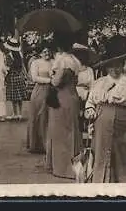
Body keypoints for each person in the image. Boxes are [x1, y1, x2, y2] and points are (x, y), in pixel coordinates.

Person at [84, 43, 126, 183]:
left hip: (122, 124)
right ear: (106, 67)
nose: (114, 69)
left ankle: (123, 184)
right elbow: (90, 102)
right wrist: (89, 110)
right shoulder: (98, 82)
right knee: (101, 153)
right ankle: (101, 182)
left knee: (122, 155)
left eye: (118, 65)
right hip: (101, 124)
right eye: (111, 66)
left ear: (123, 66)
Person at [45, 35, 83, 179]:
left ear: (59, 47)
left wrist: (51, 75)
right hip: (73, 96)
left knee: (60, 131)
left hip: (61, 97)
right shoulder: (75, 60)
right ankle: (75, 164)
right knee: (71, 129)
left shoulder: (61, 61)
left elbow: (56, 82)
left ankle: (62, 167)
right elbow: (76, 79)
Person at [26, 45, 53, 154]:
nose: (46, 53)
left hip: (52, 91)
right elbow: (34, 78)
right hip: (39, 91)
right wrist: (49, 80)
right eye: (44, 51)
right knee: (38, 115)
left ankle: (47, 143)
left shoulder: (54, 61)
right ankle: (37, 144)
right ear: (40, 53)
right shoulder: (35, 63)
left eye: (48, 51)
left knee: (48, 116)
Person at [4, 38, 28, 121]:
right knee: (19, 97)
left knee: (13, 97)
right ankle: (20, 113)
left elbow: (7, 68)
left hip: (12, 77)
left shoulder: (8, 56)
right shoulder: (20, 55)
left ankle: (15, 113)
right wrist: (25, 75)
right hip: (20, 76)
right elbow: (23, 66)